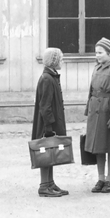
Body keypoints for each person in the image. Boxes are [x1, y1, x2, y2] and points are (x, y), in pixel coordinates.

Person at [83, 37, 110, 193]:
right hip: (95, 111)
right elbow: (91, 91)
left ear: (109, 53)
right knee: (98, 146)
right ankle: (100, 178)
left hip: (107, 111)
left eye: (100, 52)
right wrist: (88, 109)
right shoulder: (97, 68)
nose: (97, 55)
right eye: (96, 52)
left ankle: (109, 179)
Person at [32, 47, 68, 197]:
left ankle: (50, 182)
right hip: (47, 125)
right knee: (45, 152)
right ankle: (44, 186)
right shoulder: (47, 79)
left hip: (50, 123)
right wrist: (48, 127)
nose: (62, 61)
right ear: (54, 61)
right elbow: (45, 106)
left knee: (50, 151)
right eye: (61, 59)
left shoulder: (51, 76)